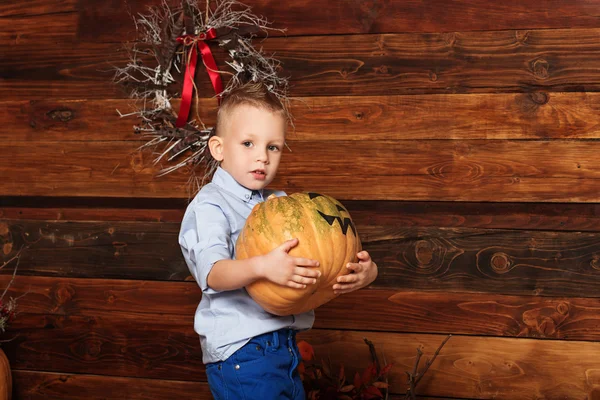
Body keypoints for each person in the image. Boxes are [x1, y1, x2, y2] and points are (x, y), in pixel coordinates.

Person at [179, 81, 378, 399]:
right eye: (248, 143)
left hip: (283, 343)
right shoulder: (210, 205)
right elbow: (213, 274)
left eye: (273, 147)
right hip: (240, 351)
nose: (262, 157)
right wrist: (262, 267)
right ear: (218, 149)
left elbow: (324, 253)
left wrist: (367, 272)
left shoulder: (280, 204)